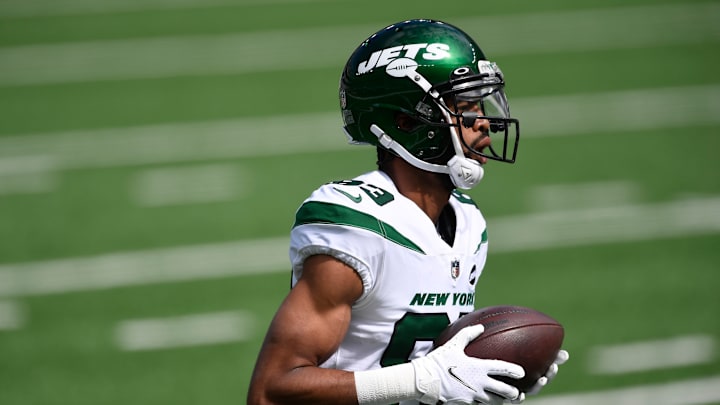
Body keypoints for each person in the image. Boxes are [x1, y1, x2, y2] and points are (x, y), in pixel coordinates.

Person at [247, 19, 568, 405]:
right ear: (407, 122)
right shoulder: (359, 226)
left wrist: (497, 369)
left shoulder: (468, 222)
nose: (483, 122)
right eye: (464, 108)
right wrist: (420, 379)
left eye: (480, 104)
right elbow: (272, 390)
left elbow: (434, 370)